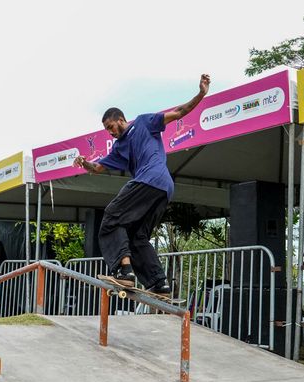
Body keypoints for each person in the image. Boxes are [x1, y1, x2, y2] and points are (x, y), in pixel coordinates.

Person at [73, 74, 211, 294]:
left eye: (111, 126)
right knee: (138, 236)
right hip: (164, 189)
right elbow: (98, 168)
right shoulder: (119, 148)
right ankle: (159, 282)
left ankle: (124, 271)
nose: (110, 132)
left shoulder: (145, 122)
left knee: (111, 218)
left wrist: (201, 93)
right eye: (107, 130)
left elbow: (180, 112)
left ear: (120, 119)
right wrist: (84, 163)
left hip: (149, 180)